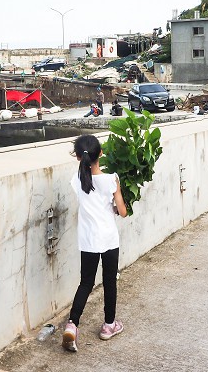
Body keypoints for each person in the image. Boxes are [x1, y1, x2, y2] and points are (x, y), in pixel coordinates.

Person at [63, 135, 128, 352]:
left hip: (88, 240)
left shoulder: (77, 180)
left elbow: (88, 190)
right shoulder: (112, 179)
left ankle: (72, 324)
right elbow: (123, 211)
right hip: (108, 239)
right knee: (109, 281)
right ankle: (109, 325)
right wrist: (115, 204)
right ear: (101, 153)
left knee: (86, 282)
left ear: (78, 157)